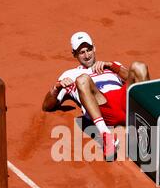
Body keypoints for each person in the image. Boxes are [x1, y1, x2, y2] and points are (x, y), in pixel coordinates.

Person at [42, 31, 150, 161]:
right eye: (82, 52)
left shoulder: (110, 65)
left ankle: (150, 120)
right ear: (74, 54)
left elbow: (132, 78)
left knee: (139, 67)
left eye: (89, 50)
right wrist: (57, 87)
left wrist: (112, 66)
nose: (87, 55)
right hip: (103, 105)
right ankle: (106, 135)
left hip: (124, 101)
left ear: (94, 48)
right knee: (83, 79)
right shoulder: (70, 75)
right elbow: (47, 106)